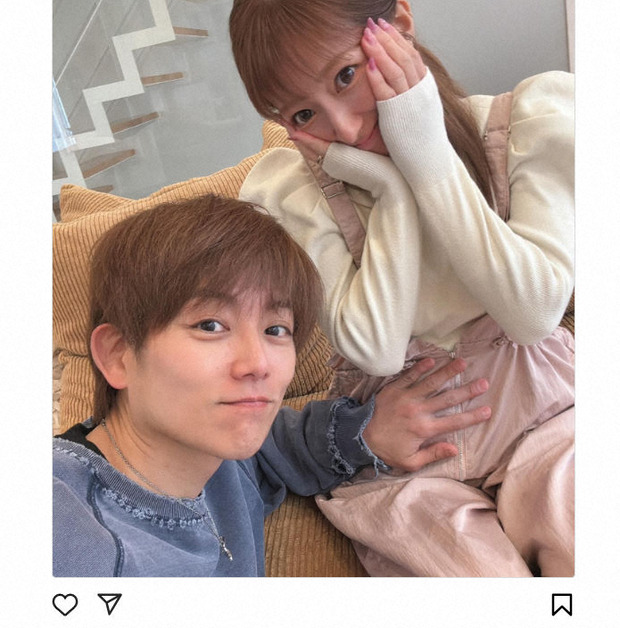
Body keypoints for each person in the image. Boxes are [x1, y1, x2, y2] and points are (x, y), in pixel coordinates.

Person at [230, 0, 575, 576]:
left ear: (401, 26)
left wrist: (426, 155)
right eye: (303, 114)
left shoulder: (524, 124)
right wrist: (390, 190)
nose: (344, 128)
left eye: (347, 75)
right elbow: (375, 349)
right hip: (401, 457)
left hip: (547, 417)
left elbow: (533, 313)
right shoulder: (290, 192)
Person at [53, 194, 491, 577]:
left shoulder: (219, 457)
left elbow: (275, 447)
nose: (258, 364)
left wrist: (367, 432)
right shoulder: (65, 522)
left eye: (276, 330)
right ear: (118, 355)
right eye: (210, 325)